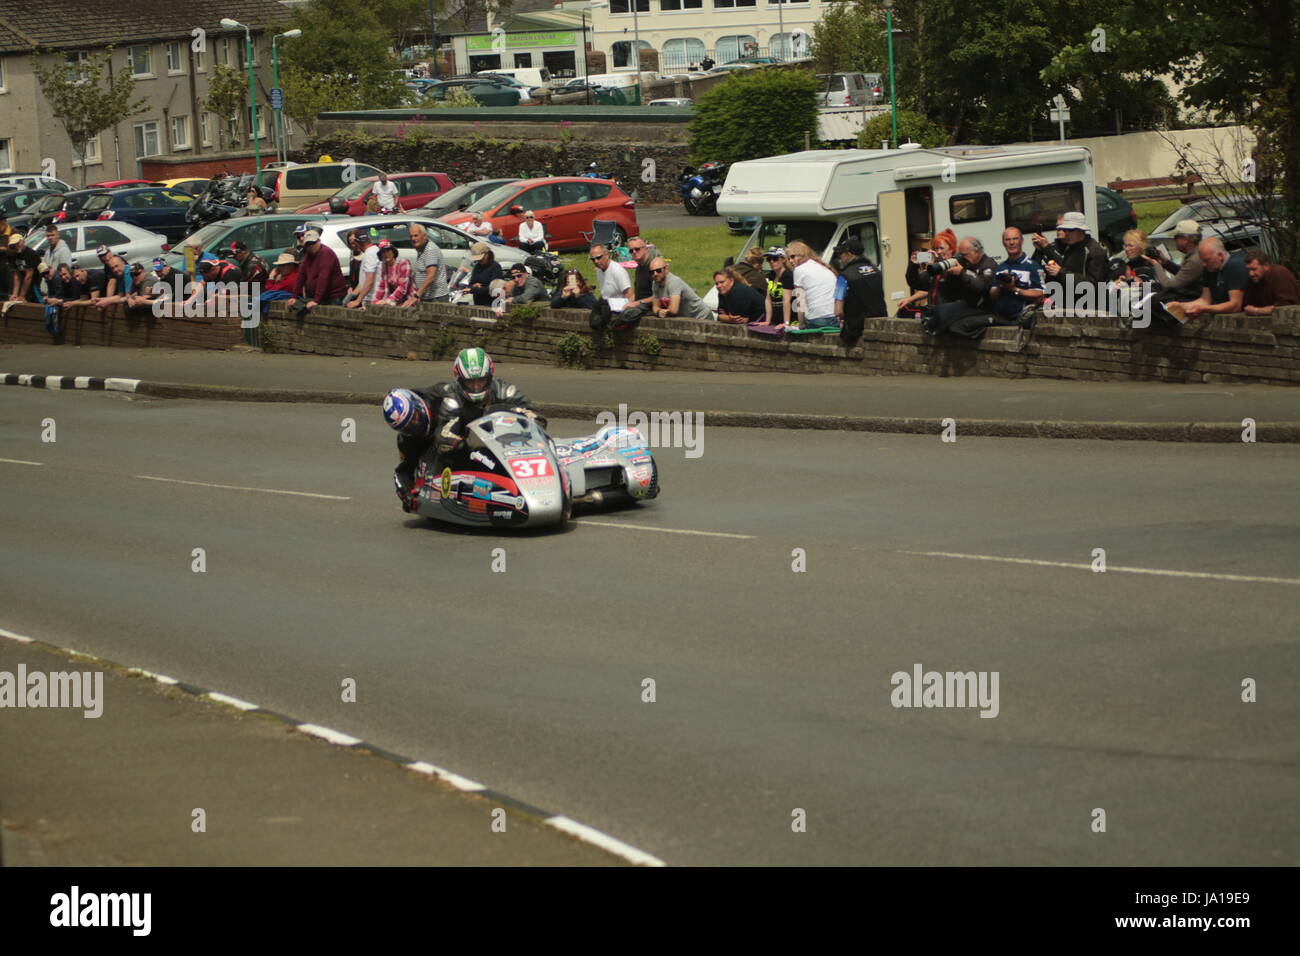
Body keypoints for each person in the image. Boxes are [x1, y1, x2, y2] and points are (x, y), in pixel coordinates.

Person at [381, 348, 540, 512]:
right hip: (468, 451)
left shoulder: (503, 390)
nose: (476, 386)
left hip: (508, 442)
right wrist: (407, 494)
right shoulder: (410, 437)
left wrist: (514, 414)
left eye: (481, 380)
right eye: (470, 382)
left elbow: (537, 419)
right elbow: (439, 443)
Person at [922, 236, 998, 335]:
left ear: (976, 251)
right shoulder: (967, 263)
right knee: (936, 311)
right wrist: (945, 271)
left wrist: (962, 272)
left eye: (964, 255)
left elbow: (982, 286)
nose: (962, 258)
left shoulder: (989, 264)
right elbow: (921, 282)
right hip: (967, 304)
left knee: (945, 314)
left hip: (982, 308)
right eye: (960, 254)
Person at [832, 238, 887, 346]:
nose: (840, 258)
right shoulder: (875, 270)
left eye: (841, 254)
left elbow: (838, 311)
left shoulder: (844, 276)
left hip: (856, 328)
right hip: (880, 323)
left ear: (848, 254)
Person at [1178, 237, 1247, 320]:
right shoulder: (1210, 269)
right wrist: (1181, 306)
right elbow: (1205, 300)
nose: (1204, 264)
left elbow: (1235, 305)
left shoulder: (1235, 266)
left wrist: (1205, 309)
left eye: (1207, 260)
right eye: (1202, 261)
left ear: (1220, 256)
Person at [1041, 211, 1109, 293]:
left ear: (1081, 230)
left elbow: (1095, 284)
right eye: (1065, 230)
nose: (1067, 233)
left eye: (1070, 230)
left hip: (1089, 303)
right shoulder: (1071, 246)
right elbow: (1066, 268)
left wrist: (1061, 273)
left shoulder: (1095, 250)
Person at [287, 229, 347, 315]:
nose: (311, 246)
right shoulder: (308, 255)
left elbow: (324, 277)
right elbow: (301, 275)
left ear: (319, 241)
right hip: (321, 296)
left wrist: (316, 300)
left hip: (333, 296)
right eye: (308, 244)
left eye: (313, 243)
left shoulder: (326, 253)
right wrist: (294, 296)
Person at [898, 230, 957, 316]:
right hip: (936, 311)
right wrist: (913, 265)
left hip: (949, 313)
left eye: (941, 248)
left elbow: (950, 282)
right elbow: (915, 283)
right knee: (903, 311)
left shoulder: (956, 265)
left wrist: (938, 262)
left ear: (951, 249)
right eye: (936, 248)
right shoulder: (934, 270)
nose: (939, 252)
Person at [784, 240, 839, 329]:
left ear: (801, 254)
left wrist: (801, 324)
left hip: (817, 320)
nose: (790, 260)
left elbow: (800, 303)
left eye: (792, 257)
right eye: (788, 258)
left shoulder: (799, 270)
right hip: (834, 319)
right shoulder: (822, 266)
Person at [1151, 220, 1205, 302]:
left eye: (1176, 237)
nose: (1174, 240)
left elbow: (1170, 286)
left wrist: (1156, 265)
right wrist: (1165, 262)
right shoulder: (1196, 254)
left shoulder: (1195, 259)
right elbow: (1184, 274)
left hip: (1196, 300)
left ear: (1185, 239)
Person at [647, 257, 713, 320]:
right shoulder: (655, 284)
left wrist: (664, 311)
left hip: (701, 315)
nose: (655, 274)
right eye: (652, 272)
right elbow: (655, 307)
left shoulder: (674, 282)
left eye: (658, 270)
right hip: (688, 318)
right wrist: (659, 311)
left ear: (666, 268)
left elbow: (674, 310)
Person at [1242, 250, 1299, 316]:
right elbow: (1249, 305)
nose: (1251, 273)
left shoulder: (1279, 273)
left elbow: (1286, 305)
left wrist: (1257, 310)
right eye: (1248, 270)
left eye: (1254, 269)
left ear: (1266, 266)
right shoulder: (1253, 279)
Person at [404, 223, 449, 305]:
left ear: (424, 236)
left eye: (416, 236)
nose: (413, 239)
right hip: (427, 297)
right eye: (411, 236)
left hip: (436, 298)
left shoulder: (430, 250)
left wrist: (416, 296)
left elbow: (430, 276)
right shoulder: (421, 249)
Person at [345, 229, 380, 309]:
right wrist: (352, 295)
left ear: (357, 243)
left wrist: (358, 301)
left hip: (371, 299)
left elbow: (369, 280)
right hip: (371, 298)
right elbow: (363, 280)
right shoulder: (374, 250)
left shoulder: (369, 254)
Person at [760, 247, 795, 328]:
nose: (771, 261)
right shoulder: (771, 275)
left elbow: (786, 301)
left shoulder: (788, 276)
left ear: (783, 259)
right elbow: (768, 299)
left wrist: (786, 323)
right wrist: (767, 321)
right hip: (776, 319)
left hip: (791, 318)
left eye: (775, 258)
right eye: (769, 259)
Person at [372, 240, 415, 305]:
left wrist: (387, 300)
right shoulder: (385, 266)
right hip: (395, 301)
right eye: (383, 252)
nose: (386, 254)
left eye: (388, 251)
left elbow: (402, 288)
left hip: (408, 300)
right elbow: (382, 287)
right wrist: (374, 303)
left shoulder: (403, 263)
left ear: (393, 251)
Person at [466, 242, 504, 307]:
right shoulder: (477, 267)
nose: (480, 261)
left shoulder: (496, 267)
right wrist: (474, 286)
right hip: (478, 302)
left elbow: (493, 289)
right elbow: (470, 284)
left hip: (492, 303)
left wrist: (474, 289)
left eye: (482, 258)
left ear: (487, 254)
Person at [8, 234, 41, 301]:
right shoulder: (14, 255)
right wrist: (15, 294)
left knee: (36, 304)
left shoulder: (31, 254)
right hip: (24, 283)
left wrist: (22, 296)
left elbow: (29, 276)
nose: (16, 246)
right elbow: (17, 276)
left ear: (22, 242)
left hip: (34, 284)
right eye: (13, 245)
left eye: (17, 243)